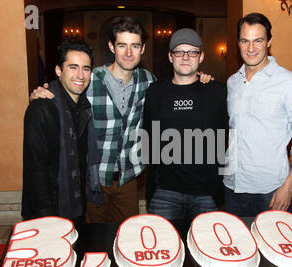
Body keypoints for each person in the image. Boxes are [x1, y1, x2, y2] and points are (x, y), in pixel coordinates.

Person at [30, 17, 213, 223]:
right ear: (111, 47)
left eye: (134, 46)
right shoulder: (90, 80)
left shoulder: (148, 82)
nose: (128, 53)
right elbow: (63, 94)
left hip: (129, 179)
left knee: (126, 239)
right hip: (94, 179)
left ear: (142, 49)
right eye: (122, 45)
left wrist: (202, 78)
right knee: (94, 239)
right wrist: (43, 92)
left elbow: (178, 87)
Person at [223, 13, 292, 216]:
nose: (251, 48)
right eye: (245, 41)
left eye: (258, 41)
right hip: (232, 188)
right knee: (239, 248)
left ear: (269, 42)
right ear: (238, 43)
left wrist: (288, 187)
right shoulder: (232, 83)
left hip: (272, 191)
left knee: (273, 249)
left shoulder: (289, 83)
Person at [143, 28, 228, 221]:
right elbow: (148, 138)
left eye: (192, 52)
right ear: (170, 57)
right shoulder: (155, 92)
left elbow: (231, 137)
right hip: (165, 192)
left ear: (201, 56)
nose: (185, 57)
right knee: (166, 248)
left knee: (206, 248)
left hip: (207, 193)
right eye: (179, 52)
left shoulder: (218, 92)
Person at [22, 39, 102, 226]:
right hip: (47, 211)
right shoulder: (42, 108)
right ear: (59, 70)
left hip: (75, 206)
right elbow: (36, 171)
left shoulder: (83, 107)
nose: (80, 75)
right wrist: (46, 218)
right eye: (73, 67)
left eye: (86, 69)